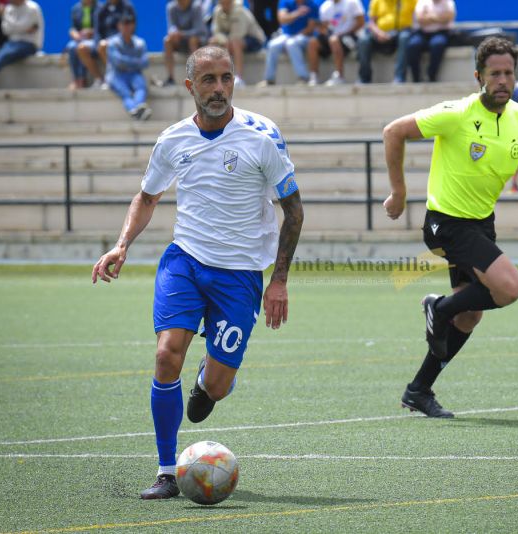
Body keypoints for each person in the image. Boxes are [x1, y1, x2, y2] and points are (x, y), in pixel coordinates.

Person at [91, 45, 304, 499]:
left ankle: (211, 375)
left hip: (240, 274)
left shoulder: (261, 138)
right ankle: (167, 471)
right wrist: (121, 245)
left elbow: (294, 209)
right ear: (190, 86)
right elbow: (147, 198)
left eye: (226, 78)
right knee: (167, 354)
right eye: (208, 80)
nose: (219, 89)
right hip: (185, 260)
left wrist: (279, 280)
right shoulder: (172, 140)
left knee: (218, 388)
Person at [382, 37, 518, 417]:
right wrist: (398, 192)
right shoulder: (457, 113)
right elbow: (393, 131)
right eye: (495, 74)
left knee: (469, 315)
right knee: (511, 288)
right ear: (479, 77)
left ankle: (418, 390)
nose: (504, 80)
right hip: (446, 223)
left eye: (509, 72)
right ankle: (437, 308)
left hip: (481, 226)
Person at [257, 0, 319, 86]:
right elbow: (282, 19)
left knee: (292, 44)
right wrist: (297, 13)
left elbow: (311, 27)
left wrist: (297, 35)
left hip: (305, 36)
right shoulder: (285, 2)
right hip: (287, 35)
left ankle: (303, 77)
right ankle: (269, 79)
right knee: (272, 45)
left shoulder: (312, 4)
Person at [77, 0, 135, 90]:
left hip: (120, 42)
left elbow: (130, 29)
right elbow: (97, 31)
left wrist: (111, 41)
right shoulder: (102, 9)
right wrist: (97, 44)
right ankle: (100, 79)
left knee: (104, 46)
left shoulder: (127, 7)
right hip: (102, 42)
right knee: (82, 48)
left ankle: (113, 78)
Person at [208, 0, 266, 87]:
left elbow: (238, 34)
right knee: (212, 43)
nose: (224, 3)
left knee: (235, 43)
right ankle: (214, 76)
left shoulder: (239, 11)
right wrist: (222, 40)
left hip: (254, 39)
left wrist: (224, 42)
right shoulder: (217, 11)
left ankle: (239, 78)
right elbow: (216, 32)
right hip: (230, 39)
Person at [357, 0, 417, 84]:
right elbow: (371, 23)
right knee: (363, 40)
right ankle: (364, 78)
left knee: (405, 37)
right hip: (380, 34)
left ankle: (399, 77)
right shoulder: (376, 1)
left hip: (400, 33)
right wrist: (379, 33)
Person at [306, 0, 365, 86]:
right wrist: (320, 28)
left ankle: (339, 76)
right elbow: (326, 27)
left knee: (334, 40)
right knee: (313, 42)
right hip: (333, 38)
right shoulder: (325, 6)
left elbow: (361, 23)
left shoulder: (353, 2)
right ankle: (313, 76)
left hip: (351, 37)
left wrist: (344, 33)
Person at [105, 13, 151, 120]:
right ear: (119, 26)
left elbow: (145, 62)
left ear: (133, 25)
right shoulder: (112, 42)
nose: (126, 27)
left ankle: (138, 108)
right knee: (125, 92)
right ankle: (136, 110)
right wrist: (135, 62)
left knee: (141, 87)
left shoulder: (140, 42)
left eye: (129, 24)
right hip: (116, 74)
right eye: (124, 24)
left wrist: (126, 62)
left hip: (133, 73)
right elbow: (117, 62)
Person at [162, 0, 210, 86]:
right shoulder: (171, 7)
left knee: (192, 40)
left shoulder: (196, 6)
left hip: (197, 41)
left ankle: (195, 77)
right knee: (167, 41)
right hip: (181, 41)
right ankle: (170, 78)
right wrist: (174, 33)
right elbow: (171, 27)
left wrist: (182, 34)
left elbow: (199, 30)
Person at [406, 0, 455, 82]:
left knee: (438, 44)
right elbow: (420, 19)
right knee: (413, 45)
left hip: (441, 33)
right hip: (422, 34)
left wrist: (429, 16)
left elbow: (448, 17)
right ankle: (416, 77)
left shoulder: (448, 2)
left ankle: (431, 75)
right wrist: (438, 17)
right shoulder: (422, 1)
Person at [65, 0, 97, 90]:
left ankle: (82, 79)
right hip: (79, 39)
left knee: (82, 47)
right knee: (71, 47)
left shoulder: (100, 8)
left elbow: (101, 28)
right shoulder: (76, 8)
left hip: (94, 39)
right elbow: (73, 27)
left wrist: (90, 32)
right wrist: (74, 33)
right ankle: (76, 79)